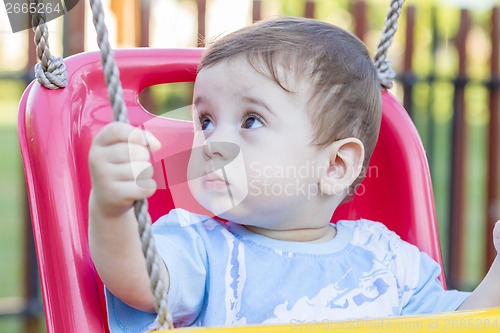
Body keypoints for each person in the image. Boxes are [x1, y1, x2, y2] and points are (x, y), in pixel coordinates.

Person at [88, 17, 500, 332]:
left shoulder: (386, 261)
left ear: (335, 166)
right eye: (206, 121)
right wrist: (112, 208)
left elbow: (463, 320)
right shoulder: (201, 246)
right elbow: (139, 281)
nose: (211, 143)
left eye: (250, 121)